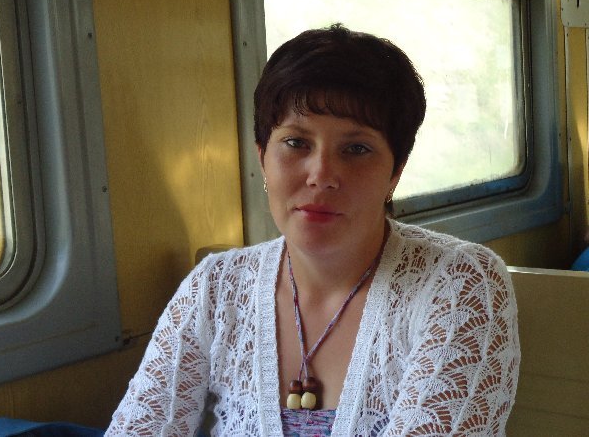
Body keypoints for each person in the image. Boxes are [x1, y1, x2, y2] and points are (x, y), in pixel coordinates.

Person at [105, 24, 520, 436]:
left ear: (395, 172)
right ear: (262, 158)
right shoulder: (214, 288)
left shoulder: (459, 283)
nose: (321, 176)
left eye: (356, 149)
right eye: (296, 143)